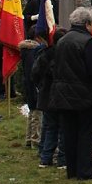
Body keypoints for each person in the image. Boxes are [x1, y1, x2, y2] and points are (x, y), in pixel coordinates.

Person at [49, 7, 92, 181]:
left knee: (70, 133)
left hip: (64, 94)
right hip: (85, 95)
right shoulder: (89, 42)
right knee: (85, 134)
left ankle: (72, 169)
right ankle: (85, 171)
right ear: (88, 24)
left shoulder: (62, 40)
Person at [32, 28, 67, 169]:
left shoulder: (45, 54)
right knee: (62, 129)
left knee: (50, 127)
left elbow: (35, 73)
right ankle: (62, 159)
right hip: (60, 96)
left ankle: (45, 157)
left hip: (47, 96)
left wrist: (40, 86)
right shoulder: (64, 55)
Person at [19, 25, 42, 148]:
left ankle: (29, 138)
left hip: (28, 84)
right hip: (34, 85)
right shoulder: (33, 52)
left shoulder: (26, 51)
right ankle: (35, 140)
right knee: (37, 114)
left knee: (32, 111)